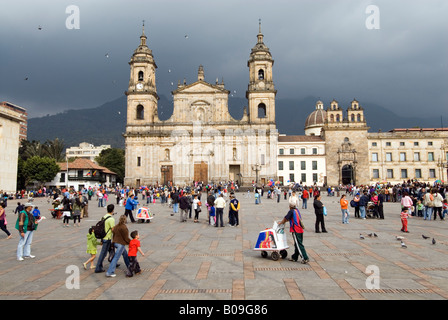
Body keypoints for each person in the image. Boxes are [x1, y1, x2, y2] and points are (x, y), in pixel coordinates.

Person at [95, 204, 116, 273]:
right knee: (103, 253)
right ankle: (98, 267)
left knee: (111, 250)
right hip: (107, 238)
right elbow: (113, 229)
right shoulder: (111, 219)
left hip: (104, 237)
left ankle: (114, 262)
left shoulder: (104, 217)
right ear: (113, 210)